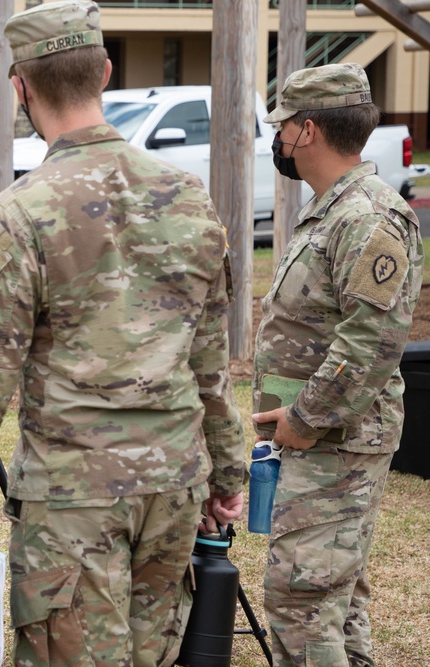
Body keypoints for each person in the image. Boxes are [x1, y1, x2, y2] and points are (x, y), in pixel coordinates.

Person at [0, 1, 245, 665]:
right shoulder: (189, 196)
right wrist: (229, 471)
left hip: (73, 498)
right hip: (172, 484)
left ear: (21, 88)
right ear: (104, 70)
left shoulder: (24, 212)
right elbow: (212, 362)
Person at [252, 63, 423, 667]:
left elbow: (371, 341)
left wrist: (305, 418)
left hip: (334, 438)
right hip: (321, 438)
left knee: (304, 599)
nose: (278, 140)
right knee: (334, 596)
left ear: (308, 130)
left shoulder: (367, 216)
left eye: (284, 127)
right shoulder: (334, 208)